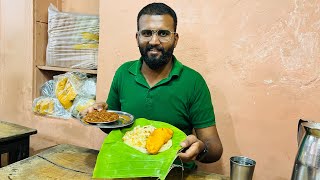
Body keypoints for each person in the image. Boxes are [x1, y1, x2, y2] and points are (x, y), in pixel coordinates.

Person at [82, 2, 223, 169]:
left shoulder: (193, 82)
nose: (154, 41)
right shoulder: (123, 73)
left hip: (174, 172)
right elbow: (113, 128)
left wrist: (201, 149)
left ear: (175, 39)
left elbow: (214, 148)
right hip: (125, 169)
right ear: (137, 37)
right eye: (146, 33)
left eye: (163, 33)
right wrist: (100, 116)